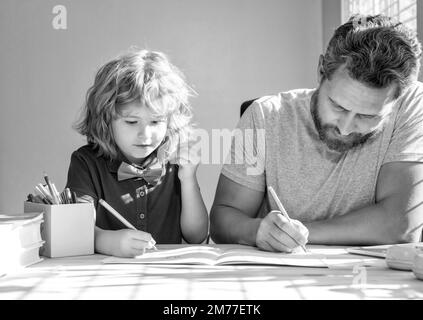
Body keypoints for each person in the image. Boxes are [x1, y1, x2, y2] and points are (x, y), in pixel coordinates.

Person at [210, 14, 423, 252]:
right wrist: (258, 231)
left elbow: (401, 225)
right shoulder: (264, 115)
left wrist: (302, 234)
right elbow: (223, 219)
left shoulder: (412, 103)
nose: (344, 128)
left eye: (368, 116)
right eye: (338, 106)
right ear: (321, 71)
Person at [66, 48, 209, 257]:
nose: (145, 134)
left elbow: (196, 236)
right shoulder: (86, 163)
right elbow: (75, 230)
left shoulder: (175, 162)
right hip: (103, 275)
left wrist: (188, 179)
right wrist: (107, 242)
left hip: (167, 275)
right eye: (132, 122)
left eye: (156, 121)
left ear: (170, 121)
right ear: (106, 120)